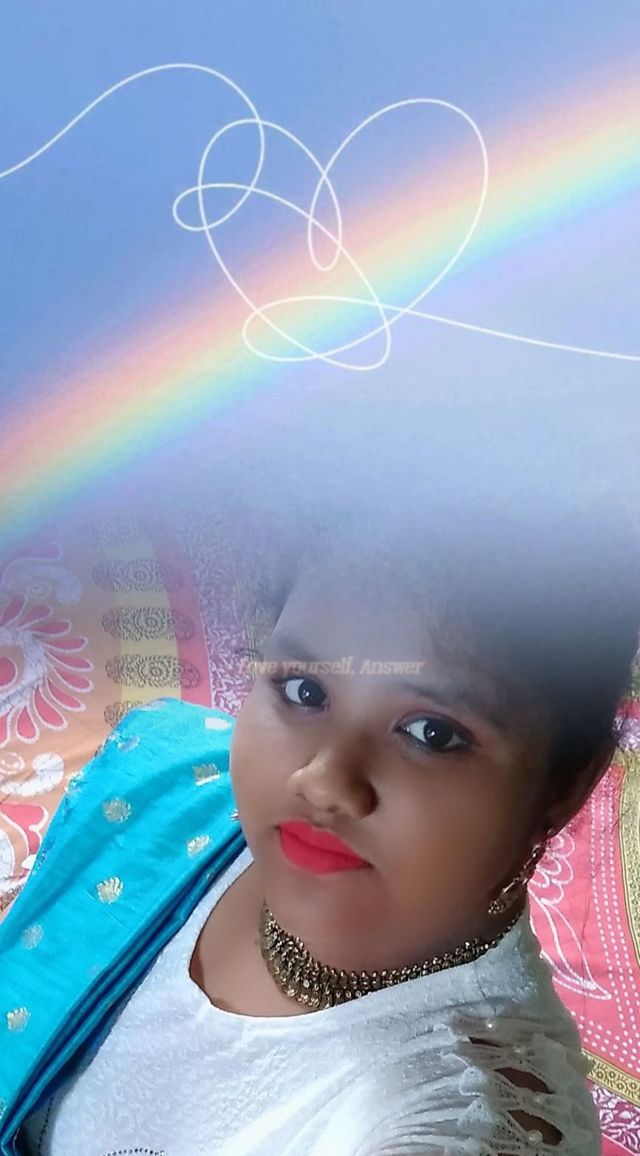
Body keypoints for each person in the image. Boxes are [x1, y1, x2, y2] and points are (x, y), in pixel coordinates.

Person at [1, 480, 639, 1156]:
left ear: (569, 783)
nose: (323, 781)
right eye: (304, 690)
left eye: (432, 733)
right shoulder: (165, 782)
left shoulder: (464, 1122)